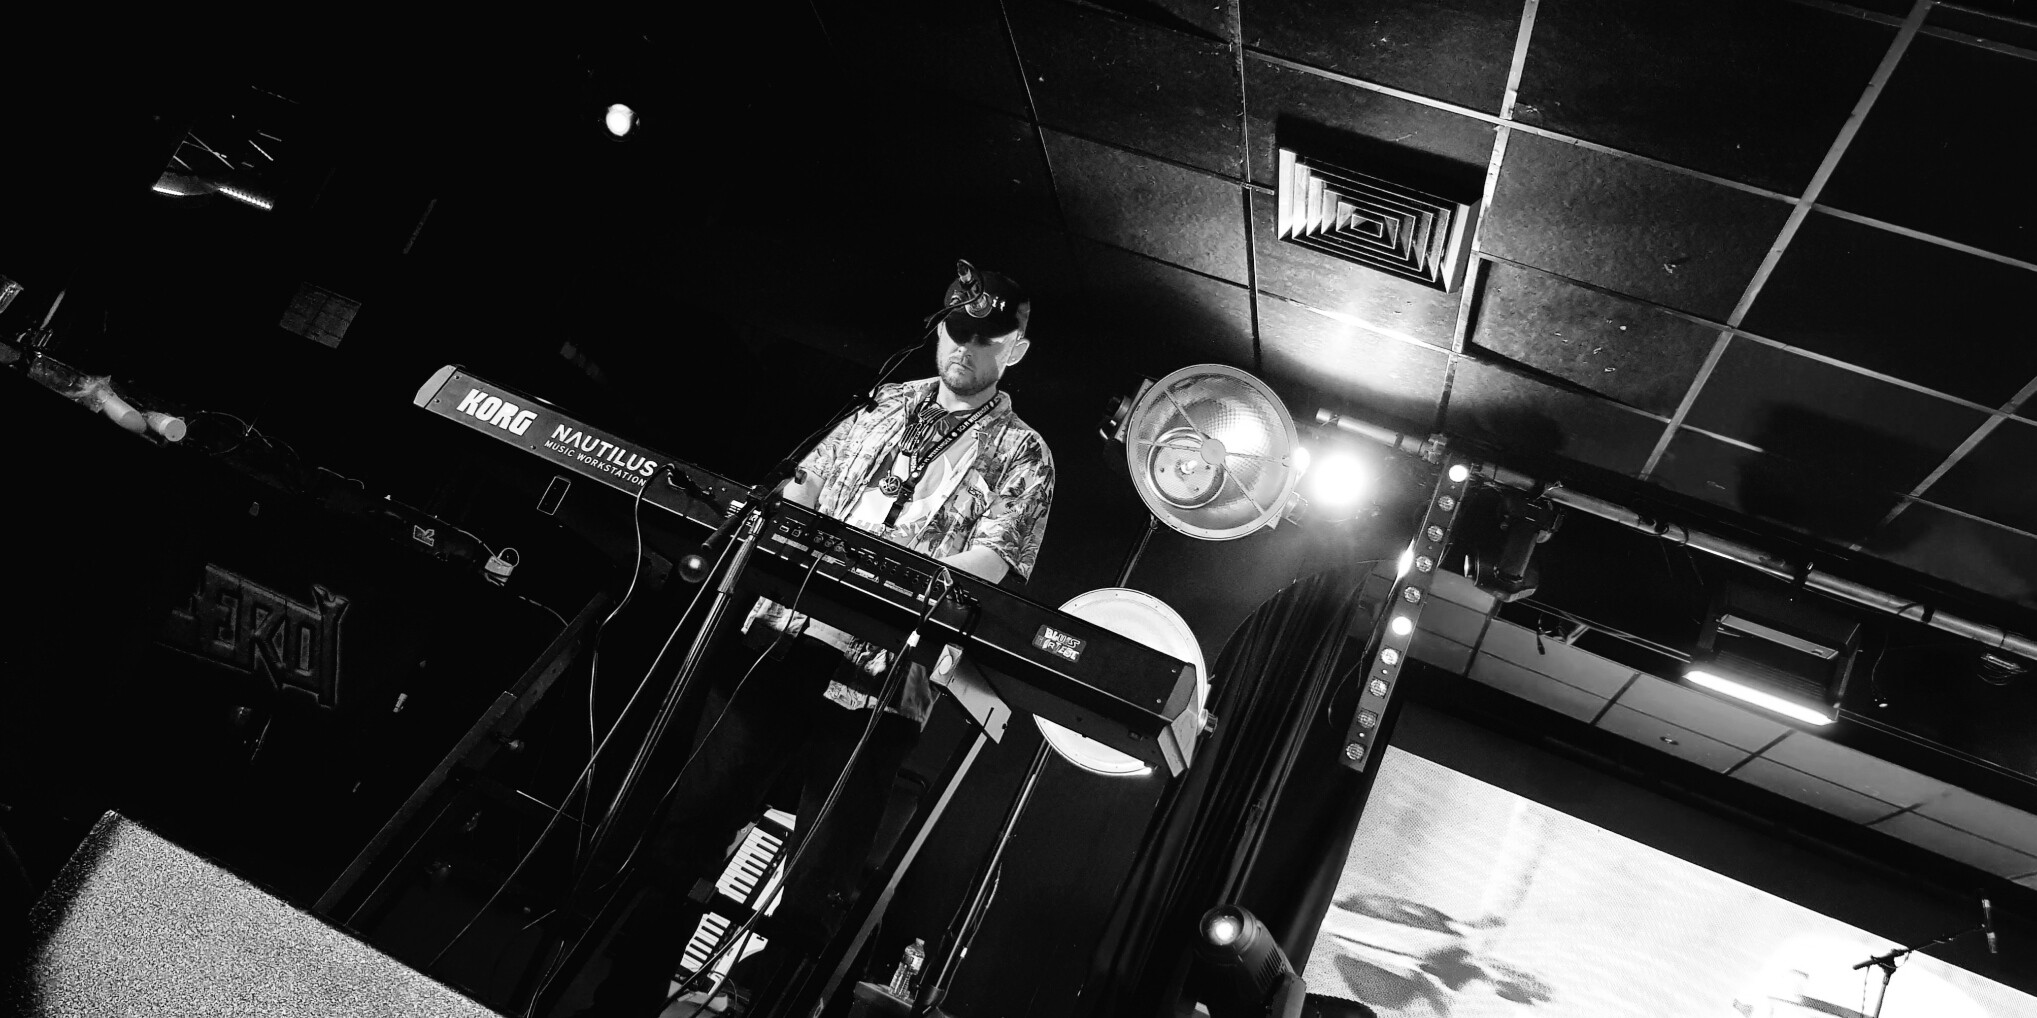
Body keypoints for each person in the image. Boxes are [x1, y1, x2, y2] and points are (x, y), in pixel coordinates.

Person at [557, 263, 1054, 1016]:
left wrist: (869, 580)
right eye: (956, 331)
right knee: (687, 831)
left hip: (882, 682)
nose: (964, 348)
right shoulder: (880, 403)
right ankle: (619, 1001)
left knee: (818, 881)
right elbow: (801, 491)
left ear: (1016, 349)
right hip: (781, 641)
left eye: (986, 339)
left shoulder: (1024, 453)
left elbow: (988, 567)